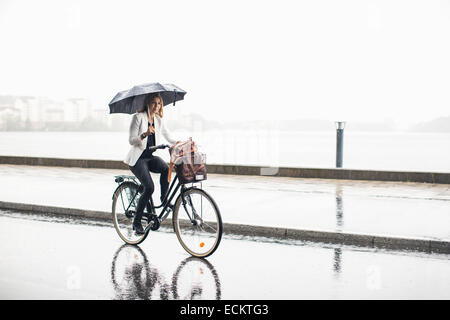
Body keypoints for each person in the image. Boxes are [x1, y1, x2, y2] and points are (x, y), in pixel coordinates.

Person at [124, 93, 179, 234]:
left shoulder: (158, 119)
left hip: (149, 157)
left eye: (159, 103)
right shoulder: (138, 117)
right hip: (137, 159)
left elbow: (167, 135)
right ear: (148, 103)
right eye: (154, 103)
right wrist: (144, 134)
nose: (156, 106)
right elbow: (131, 140)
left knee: (166, 169)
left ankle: (164, 198)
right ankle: (136, 223)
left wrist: (178, 142)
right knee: (149, 187)